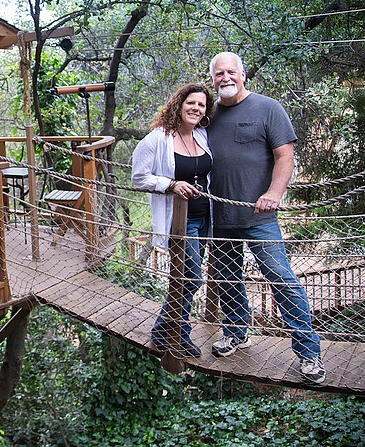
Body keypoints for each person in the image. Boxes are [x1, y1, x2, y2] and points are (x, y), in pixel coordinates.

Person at [207, 51, 325, 384]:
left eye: (231, 72)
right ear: (212, 79)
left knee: (282, 279)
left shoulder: (268, 108)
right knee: (228, 278)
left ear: (243, 74)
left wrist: (274, 193)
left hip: (260, 218)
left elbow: (285, 156)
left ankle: (308, 352)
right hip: (221, 217)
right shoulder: (208, 114)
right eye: (219, 74)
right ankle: (235, 332)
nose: (225, 78)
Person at [132, 83, 215, 358]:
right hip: (179, 221)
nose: (196, 108)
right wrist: (170, 184)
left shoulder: (202, 135)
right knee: (191, 278)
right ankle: (173, 332)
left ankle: (166, 331)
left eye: (201, 105)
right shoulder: (158, 139)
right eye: (191, 103)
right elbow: (139, 178)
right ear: (179, 105)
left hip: (204, 219)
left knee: (186, 277)